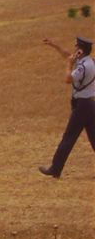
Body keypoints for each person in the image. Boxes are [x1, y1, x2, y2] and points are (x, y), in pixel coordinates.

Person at [38, 35, 95, 178]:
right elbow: (68, 55)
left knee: (69, 137)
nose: (74, 48)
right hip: (91, 104)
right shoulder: (90, 61)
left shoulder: (82, 66)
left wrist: (69, 66)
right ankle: (56, 168)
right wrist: (54, 45)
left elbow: (68, 79)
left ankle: (55, 168)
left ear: (80, 50)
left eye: (76, 46)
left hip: (82, 106)